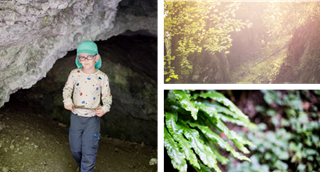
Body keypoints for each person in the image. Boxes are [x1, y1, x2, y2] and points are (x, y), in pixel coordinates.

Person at [62, 41, 112, 172]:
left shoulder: (102, 77)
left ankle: (86, 168)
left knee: (89, 150)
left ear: (96, 57)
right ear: (78, 59)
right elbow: (67, 89)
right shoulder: (75, 74)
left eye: (89, 56)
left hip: (92, 119)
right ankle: (81, 165)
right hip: (76, 117)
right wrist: (67, 100)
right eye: (82, 57)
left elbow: (107, 97)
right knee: (75, 149)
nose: (86, 60)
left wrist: (105, 108)